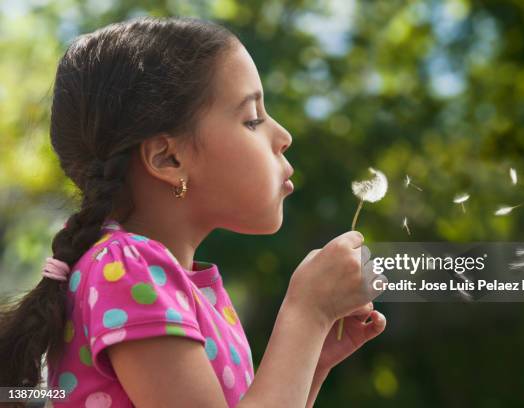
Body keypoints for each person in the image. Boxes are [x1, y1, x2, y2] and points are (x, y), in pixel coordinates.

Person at [0, 16, 387, 407]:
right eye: (252, 119)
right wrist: (308, 314)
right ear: (168, 158)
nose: (284, 137)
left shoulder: (172, 284)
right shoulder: (126, 267)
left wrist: (311, 362)